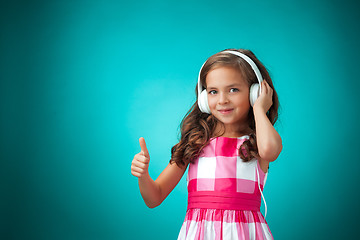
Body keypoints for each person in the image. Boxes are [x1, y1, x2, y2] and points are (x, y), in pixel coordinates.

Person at [131, 49, 282, 240]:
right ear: (204, 98)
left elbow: (270, 151)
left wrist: (260, 109)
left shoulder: (257, 142)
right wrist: (143, 175)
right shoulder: (194, 142)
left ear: (255, 93)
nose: (222, 100)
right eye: (213, 91)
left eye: (233, 90)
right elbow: (154, 198)